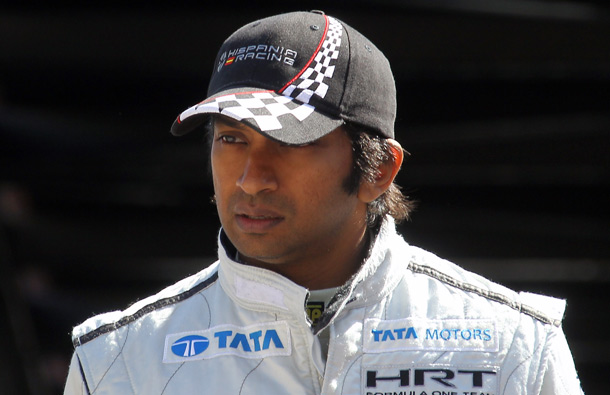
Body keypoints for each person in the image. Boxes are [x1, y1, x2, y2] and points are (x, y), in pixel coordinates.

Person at [64, 10, 584, 394]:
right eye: (230, 139)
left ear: (378, 170)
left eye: (289, 143)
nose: (250, 180)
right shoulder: (118, 361)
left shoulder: (515, 345)